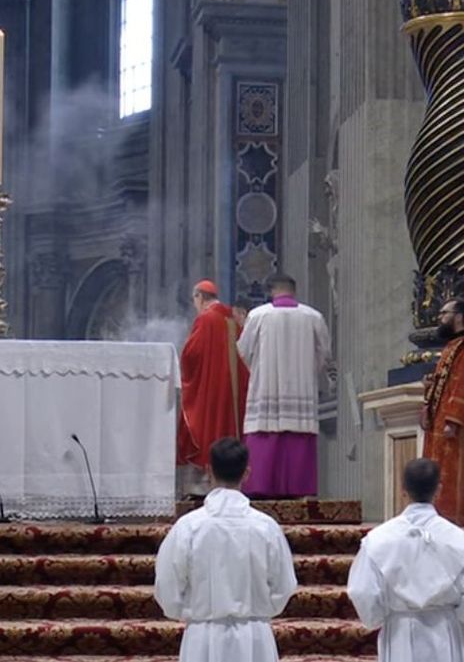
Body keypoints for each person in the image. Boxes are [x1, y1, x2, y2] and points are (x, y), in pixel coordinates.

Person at [155, 438, 297, 662]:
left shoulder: (189, 527)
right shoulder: (266, 527)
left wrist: (188, 612)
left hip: (203, 637)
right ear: (247, 473)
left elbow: (167, 583)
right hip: (255, 637)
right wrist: (260, 610)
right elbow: (284, 584)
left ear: (209, 471)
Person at [347, 458, 464, 662]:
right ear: (439, 489)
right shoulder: (461, 541)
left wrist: (378, 618)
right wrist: (463, 624)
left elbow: (362, 591)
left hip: (400, 634)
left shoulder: (379, 539)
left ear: (403, 490)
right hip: (446, 633)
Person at [236, 274, 334, 499]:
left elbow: (244, 350)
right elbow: (324, 354)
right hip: (301, 391)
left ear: (271, 292)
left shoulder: (258, 315)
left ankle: (260, 491)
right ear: (294, 290)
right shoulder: (313, 317)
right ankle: (298, 490)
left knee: (264, 439)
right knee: (297, 442)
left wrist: (260, 371)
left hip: (266, 389)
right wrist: (307, 373)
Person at [420, 299, 464, 541]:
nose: (440, 317)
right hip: (440, 425)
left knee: (452, 480)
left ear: (458, 316)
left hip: (453, 430)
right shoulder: (452, 346)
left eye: (444, 312)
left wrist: (453, 420)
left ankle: (453, 530)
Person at [177, 280, 250, 498]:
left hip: (209, 391)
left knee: (206, 431)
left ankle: (203, 486)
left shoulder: (205, 319)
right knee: (227, 430)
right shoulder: (233, 319)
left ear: (200, 297)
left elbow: (190, 355)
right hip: (233, 393)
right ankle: (231, 485)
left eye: (195, 300)